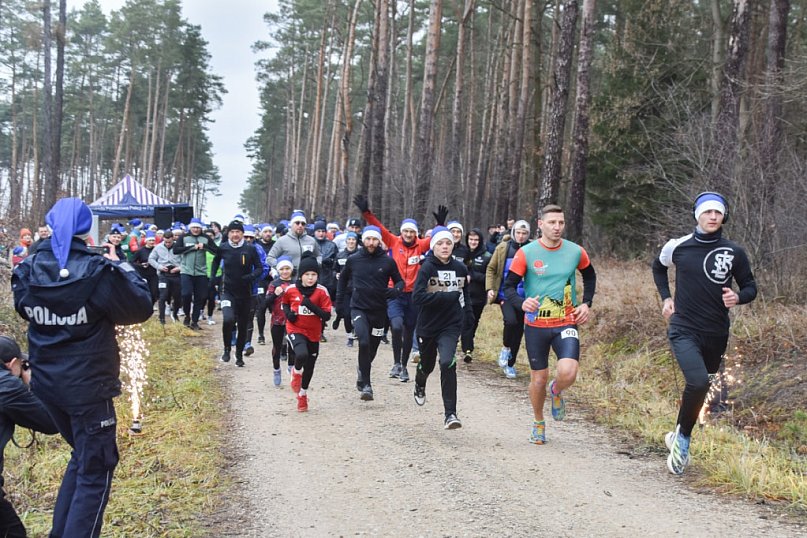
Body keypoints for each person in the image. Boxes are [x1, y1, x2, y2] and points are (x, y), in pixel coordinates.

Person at [12, 197, 153, 538]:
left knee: (83, 459)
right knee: (97, 469)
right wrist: (124, 267)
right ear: (86, 230)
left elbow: (23, 308)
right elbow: (139, 308)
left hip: (47, 385)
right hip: (88, 389)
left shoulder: (28, 268)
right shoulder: (98, 269)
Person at [652, 192, 756, 475]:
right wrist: (665, 297)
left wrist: (738, 297)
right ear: (697, 215)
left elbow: (750, 287)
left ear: (724, 217)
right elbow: (659, 267)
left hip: (716, 333)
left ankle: (677, 434)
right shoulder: (678, 246)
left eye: (718, 213)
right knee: (697, 382)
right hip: (683, 328)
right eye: (707, 212)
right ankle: (684, 440)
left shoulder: (734, 252)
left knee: (702, 386)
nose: (712, 217)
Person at [503, 205, 596, 445]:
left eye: (561, 223)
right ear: (541, 225)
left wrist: (586, 303)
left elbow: (589, 275)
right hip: (536, 325)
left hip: (566, 321)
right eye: (552, 222)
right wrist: (523, 303)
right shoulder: (527, 253)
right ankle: (538, 422)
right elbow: (509, 287)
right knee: (538, 379)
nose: (557, 227)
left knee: (568, 371)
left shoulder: (575, 251)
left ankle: (556, 391)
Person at [355, 195, 444, 382]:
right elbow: (377, 227)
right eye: (406, 232)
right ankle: (396, 362)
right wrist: (366, 213)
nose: (409, 235)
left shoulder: (421, 245)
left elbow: (437, 238)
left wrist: (440, 224)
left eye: (412, 232)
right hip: (395, 293)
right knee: (396, 326)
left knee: (408, 330)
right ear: (401, 232)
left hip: (414, 295)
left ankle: (403, 366)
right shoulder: (394, 241)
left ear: (416, 233)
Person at [412, 227, 473, 429]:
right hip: (428, 325)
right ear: (433, 247)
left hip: (451, 325)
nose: (445, 247)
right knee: (427, 365)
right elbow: (417, 297)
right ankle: (420, 383)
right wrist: (445, 297)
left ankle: (451, 415)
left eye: (448, 243)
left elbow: (464, 296)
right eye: (440, 243)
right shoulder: (427, 268)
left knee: (447, 362)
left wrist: (468, 319)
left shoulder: (460, 268)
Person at [335, 225, 404, 401]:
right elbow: (342, 280)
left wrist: (395, 291)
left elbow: (400, 282)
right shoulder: (354, 259)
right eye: (368, 239)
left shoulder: (387, 261)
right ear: (363, 240)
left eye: (374, 239)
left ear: (379, 241)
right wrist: (340, 304)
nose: (371, 243)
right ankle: (367, 384)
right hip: (359, 308)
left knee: (372, 348)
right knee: (363, 341)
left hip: (379, 310)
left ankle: (362, 369)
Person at [0, 336, 58, 538]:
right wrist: (32, 383)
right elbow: (51, 422)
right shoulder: (7, 385)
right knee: (13, 532)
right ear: (13, 363)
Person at [282, 252, 332, 412]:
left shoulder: (322, 291)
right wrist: (288, 314)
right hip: (295, 328)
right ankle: (296, 372)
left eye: (314, 274)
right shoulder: (291, 289)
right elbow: (285, 304)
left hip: (314, 332)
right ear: (301, 275)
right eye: (307, 274)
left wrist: (310, 305)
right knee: (301, 354)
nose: (310, 278)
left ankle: (302, 395)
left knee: (310, 366)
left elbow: (327, 315)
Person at [210, 220, 264, 367]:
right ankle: (227, 349)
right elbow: (215, 262)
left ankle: (239, 354)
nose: (235, 235)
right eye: (232, 232)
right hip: (227, 291)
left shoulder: (250, 249)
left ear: (242, 234)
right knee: (228, 319)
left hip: (245, 293)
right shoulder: (223, 247)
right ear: (228, 233)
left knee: (242, 325)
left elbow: (259, 268)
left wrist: (250, 277)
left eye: (238, 232)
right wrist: (213, 278)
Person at [486, 219, 531, 379]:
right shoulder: (503, 247)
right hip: (506, 294)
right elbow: (491, 268)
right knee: (510, 321)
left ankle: (510, 365)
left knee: (519, 330)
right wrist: (490, 288)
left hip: (525, 298)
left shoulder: (532, 250)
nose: (521, 236)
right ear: (513, 233)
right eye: (518, 232)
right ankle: (505, 349)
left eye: (524, 233)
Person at [174, 218, 216, 330]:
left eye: (198, 228)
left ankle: (195, 321)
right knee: (186, 294)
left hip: (201, 272)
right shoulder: (184, 237)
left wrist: (206, 247)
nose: (196, 230)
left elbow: (216, 251)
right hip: (186, 271)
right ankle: (187, 315)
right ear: (190, 228)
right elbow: (176, 250)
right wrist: (192, 248)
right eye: (194, 227)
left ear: (201, 228)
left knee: (201, 297)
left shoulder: (206, 238)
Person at [461, 228, 491, 363]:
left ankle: (468, 344)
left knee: (473, 322)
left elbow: (489, 277)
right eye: (470, 239)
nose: (473, 242)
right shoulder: (463, 253)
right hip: (462, 295)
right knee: (465, 321)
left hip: (478, 296)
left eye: (475, 240)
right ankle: (467, 348)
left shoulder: (486, 256)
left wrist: (472, 275)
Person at [266, 256, 295, 385]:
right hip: (277, 320)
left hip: (293, 320)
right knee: (277, 347)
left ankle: (292, 368)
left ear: (291, 270)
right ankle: (276, 369)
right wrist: (275, 294)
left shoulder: (296, 283)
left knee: (293, 346)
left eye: (287, 268)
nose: (285, 271)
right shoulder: (274, 284)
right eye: (282, 269)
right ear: (278, 270)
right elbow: (265, 302)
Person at [149, 229, 182, 324]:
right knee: (162, 296)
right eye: (166, 242)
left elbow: (185, 260)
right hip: (163, 274)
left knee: (177, 297)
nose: (167, 244)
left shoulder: (178, 247)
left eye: (169, 242)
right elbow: (151, 259)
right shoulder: (158, 247)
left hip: (176, 274)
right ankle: (161, 318)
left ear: (173, 239)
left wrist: (179, 268)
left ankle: (175, 315)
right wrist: (159, 267)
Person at [333, 232, 360, 346]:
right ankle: (349, 336)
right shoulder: (340, 255)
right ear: (346, 241)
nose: (351, 241)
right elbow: (334, 269)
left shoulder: (360, 255)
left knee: (358, 313)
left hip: (358, 288)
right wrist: (336, 274)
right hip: (344, 289)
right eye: (349, 239)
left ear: (356, 241)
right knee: (347, 314)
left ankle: (358, 332)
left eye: (353, 239)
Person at [132, 231, 158, 303]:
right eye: (150, 240)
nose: (152, 242)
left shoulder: (157, 250)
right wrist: (141, 265)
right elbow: (132, 262)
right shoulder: (140, 251)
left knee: (154, 292)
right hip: (144, 274)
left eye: (153, 240)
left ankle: (151, 306)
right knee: (145, 292)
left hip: (154, 274)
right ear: (146, 241)